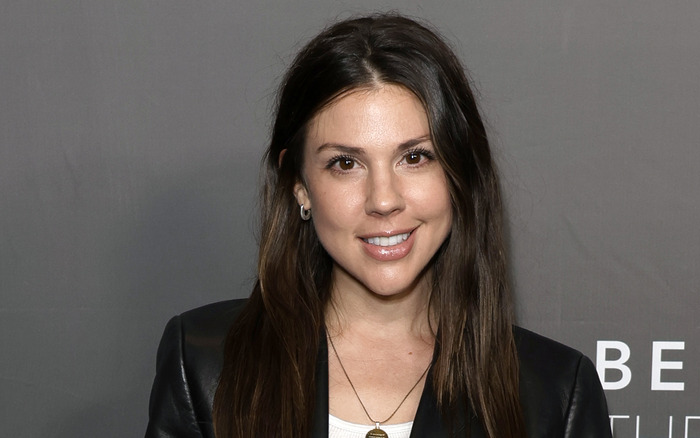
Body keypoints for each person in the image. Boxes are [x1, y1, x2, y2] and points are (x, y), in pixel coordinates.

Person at [145, 13, 612, 438]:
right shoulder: (206, 364)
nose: (384, 200)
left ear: (459, 173)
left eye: (415, 157)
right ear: (299, 184)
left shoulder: (554, 392)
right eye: (345, 163)